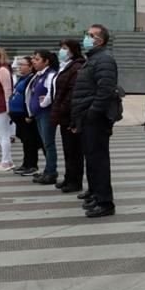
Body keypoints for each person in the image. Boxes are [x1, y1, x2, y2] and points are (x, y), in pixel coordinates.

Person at [70, 24, 120, 218]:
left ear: (100, 40)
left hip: (95, 119)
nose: (86, 38)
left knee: (98, 160)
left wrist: (92, 112)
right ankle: (95, 193)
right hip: (86, 117)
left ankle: (105, 202)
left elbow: (105, 90)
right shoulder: (92, 59)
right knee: (91, 158)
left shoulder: (104, 60)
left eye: (90, 35)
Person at [51, 40, 86, 193]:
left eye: (65, 48)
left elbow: (72, 92)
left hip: (71, 114)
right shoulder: (66, 66)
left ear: (73, 50)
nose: (61, 51)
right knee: (68, 149)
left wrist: (63, 108)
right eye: (61, 48)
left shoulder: (77, 66)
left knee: (74, 151)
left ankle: (75, 181)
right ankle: (68, 177)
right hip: (64, 115)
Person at [27, 50, 58, 184]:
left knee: (48, 143)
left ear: (46, 61)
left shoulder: (50, 75)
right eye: (33, 58)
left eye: (37, 59)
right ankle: (47, 170)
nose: (33, 61)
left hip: (46, 113)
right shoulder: (38, 75)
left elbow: (52, 93)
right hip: (38, 114)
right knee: (45, 143)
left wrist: (43, 103)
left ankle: (51, 172)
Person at [10, 55, 40, 176]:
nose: (19, 67)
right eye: (19, 65)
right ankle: (25, 164)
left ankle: (32, 165)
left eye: (22, 65)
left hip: (25, 115)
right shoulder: (22, 78)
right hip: (17, 115)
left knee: (30, 141)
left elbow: (30, 97)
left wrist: (29, 114)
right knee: (25, 141)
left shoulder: (32, 79)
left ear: (30, 67)